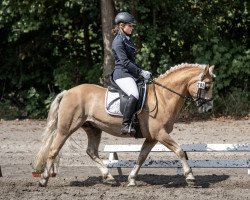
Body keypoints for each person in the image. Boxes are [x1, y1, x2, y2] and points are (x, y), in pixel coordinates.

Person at [111, 12, 151, 135]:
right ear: (122, 26)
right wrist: (140, 72)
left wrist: (142, 72)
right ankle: (126, 124)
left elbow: (132, 62)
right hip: (121, 74)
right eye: (130, 26)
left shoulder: (126, 39)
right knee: (134, 93)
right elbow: (125, 62)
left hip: (129, 73)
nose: (132, 28)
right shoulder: (118, 42)